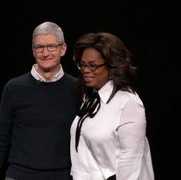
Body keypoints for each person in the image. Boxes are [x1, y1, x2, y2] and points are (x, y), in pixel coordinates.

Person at [0, 21, 79, 180]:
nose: (45, 53)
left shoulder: (78, 89)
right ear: (33, 50)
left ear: (63, 49)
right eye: (39, 47)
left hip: (64, 176)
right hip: (19, 175)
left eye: (51, 46)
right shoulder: (14, 88)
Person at [70, 32, 155, 180]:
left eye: (93, 65)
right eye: (82, 65)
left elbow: (130, 162)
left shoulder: (128, 103)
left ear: (111, 65)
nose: (85, 70)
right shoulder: (91, 97)